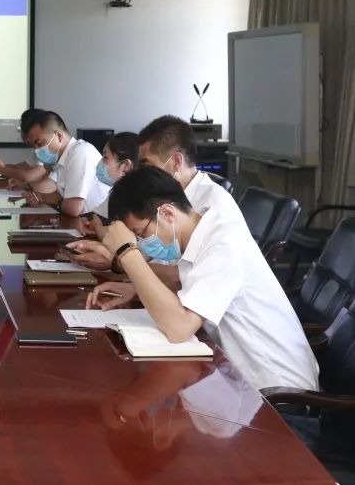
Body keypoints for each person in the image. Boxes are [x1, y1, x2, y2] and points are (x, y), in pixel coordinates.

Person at [85, 166, 318, 391]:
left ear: (167, 213)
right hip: (233, 377)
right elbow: (180, 277)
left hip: (275, 390)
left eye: (141, 234)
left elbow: (179, 329)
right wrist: (135, 286)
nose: (142, 243)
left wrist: (128, 254)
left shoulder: (223, 243)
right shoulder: (203, 228)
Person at [69, 115, 243, 272]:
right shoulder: (161, 196)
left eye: (147, 164)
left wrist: (120, 262)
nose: (141, 171)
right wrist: (116, 261)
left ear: (176, 162)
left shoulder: (214, 206)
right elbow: (147, 256)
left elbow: (181, 278)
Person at [16, 109, 109, 216]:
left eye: (40, 143)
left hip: (98, 222)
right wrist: (40, 197)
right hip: (85, 220)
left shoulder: (79, 154)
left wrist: (53, 201)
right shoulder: (61, 159)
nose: (36, 150)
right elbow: (61, 196)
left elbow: (73, 209)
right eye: (34, 146)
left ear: (59, 136)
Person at [0, 108, 58, 193]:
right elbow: (23, 167)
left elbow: (30, 176)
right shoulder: (36, 146)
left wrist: (1, 169)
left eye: (22, 129)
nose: (20, 132)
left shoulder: (45, 147)